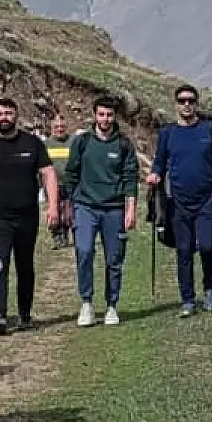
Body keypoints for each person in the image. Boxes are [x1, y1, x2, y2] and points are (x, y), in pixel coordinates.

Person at [0, 97, 59, 335]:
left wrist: (53, 205)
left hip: (27, 215)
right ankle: (0, 316)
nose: (3, 118)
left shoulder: (32, 143)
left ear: (16, 116)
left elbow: (48, 173)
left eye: (8, 113)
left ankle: (25, 315)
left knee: (25, 265)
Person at [147, 84, 212, 317]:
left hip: (206, 199)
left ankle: (209, 288)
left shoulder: (209, 130)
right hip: (178, 201)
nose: (186, 104)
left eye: (191, 101)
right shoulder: (168, 133)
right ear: (176, 104)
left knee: (207, 246)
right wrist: (155, 175)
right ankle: (187, 299)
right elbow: (159, 162)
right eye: (182, 100)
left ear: (196, 104)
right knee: (184, 250)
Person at [63, 96, 140, 327]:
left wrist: (131, 210)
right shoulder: (82, 141)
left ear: (114, 116)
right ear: (94, 115)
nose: (105, 119)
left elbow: (130, 178)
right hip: (85, 207)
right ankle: (86, 303)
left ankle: (111, 306)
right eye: (101, 114)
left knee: (114, 259)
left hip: (114, 210)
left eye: (109, 115)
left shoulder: (124, 144)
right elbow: (71, 173)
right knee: (84, 252)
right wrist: (69, 205)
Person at [43, 112, 77, 249]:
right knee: (55, 210)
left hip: (71, 183)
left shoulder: (73, 142)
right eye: (56, 127)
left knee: (70, 212)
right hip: (52, 185)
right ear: (51, 127)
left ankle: (74, 235)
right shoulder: (46, 144)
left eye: (62, 126)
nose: (59, 129)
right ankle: (58, 237)